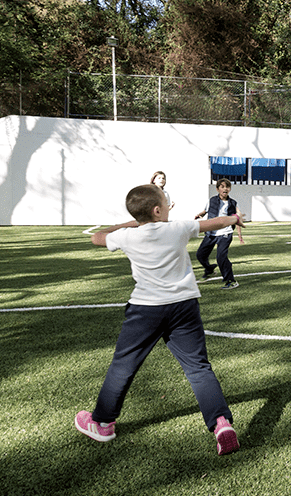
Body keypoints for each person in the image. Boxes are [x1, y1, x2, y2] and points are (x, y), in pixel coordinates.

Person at [75, 183, 240, 455]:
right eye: (165, 203)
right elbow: (216, 222)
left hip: (145, 310)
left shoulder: (128, 236)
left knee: (123, 365)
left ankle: (102, 423)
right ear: (157, 210)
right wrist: (235, 219)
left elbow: (98, 237)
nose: (169, 207)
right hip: (184, 307)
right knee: (198, 367)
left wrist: (128, 224)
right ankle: (221, 423)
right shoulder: (178, 229)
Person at [194, 178, 243, 289]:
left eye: (227, 187)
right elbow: (206, 210)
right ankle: (209, 270)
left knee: (221, 257)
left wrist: (240, 235)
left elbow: (237, 218)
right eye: (222, 186)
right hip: (211, 232)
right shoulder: (211, 200)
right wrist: (200, 214)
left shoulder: (233, 203)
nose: (225, 189)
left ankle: (231, 280)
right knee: (200, 254)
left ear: (229, 189)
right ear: (217, 189)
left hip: (225, 233)